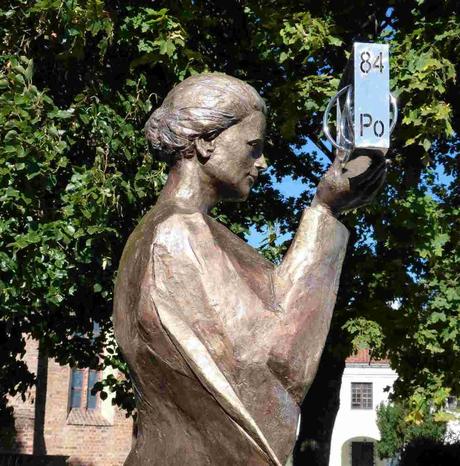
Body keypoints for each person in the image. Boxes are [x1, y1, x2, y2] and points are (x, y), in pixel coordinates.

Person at [113, 73, 387, 466]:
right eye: (252, 146)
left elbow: (269, 312)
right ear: (206, 142)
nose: (261, 161)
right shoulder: (179, 232)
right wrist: (324, 213)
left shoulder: (167, 231)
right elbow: (277, 360)